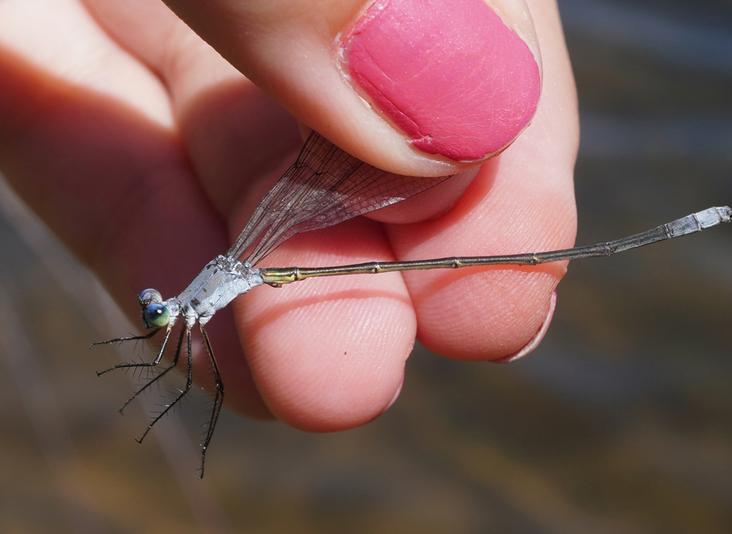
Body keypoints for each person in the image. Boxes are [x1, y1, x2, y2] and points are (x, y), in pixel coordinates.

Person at [0, 0, 578, 431]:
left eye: (155, 314)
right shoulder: (187, 314)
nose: (157, 315)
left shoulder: (187, 312)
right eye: (157, 313)